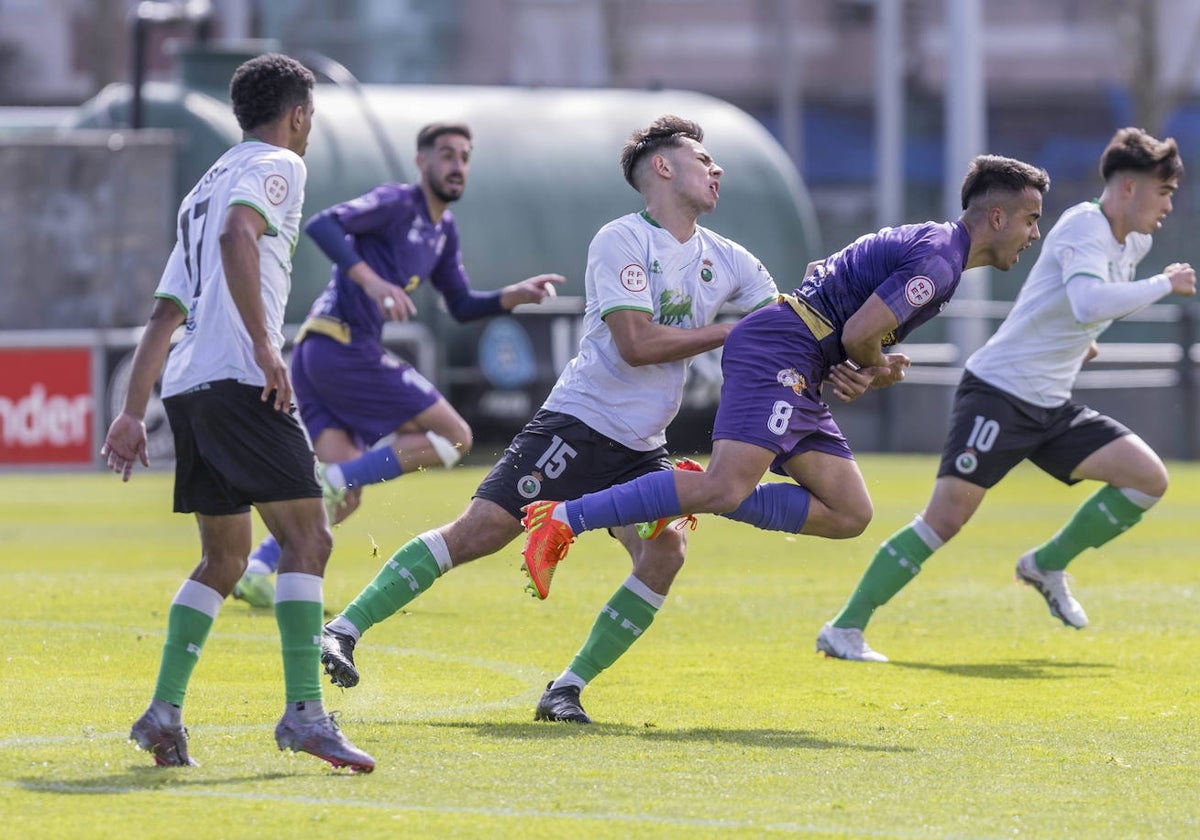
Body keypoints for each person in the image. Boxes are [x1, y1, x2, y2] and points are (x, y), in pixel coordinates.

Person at [317, 115, 779, 723]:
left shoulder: (730, 258)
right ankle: (343, 629)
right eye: (703, 158)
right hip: (578, 424)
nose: (716, 169)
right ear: (663, 167)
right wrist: (733, 331)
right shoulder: (621, 240)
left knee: (666, 551)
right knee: (479, 532)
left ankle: (566, 687)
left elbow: (781, 327)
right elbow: (636, 343)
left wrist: (851, 359)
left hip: (642, 445)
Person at [520, 154, 1053, 633]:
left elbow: (847, 327)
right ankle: (562, 519)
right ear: (997, 217)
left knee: (849, 513)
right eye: (1031, 219)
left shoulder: (938, 250)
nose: (1034, 234)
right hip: (782, 348)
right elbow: (858, 335)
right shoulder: (939, 260)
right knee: (724, 489)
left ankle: (682, 489)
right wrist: (876, 365)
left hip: (803, 355)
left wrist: (861, 364)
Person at [815, 127, 1195, 662]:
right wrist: (1164, 284)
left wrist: (1080, 344)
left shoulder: (1135, 241)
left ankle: (1046, 563)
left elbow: (1083, 309)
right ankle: (844, 628)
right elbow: (1087, 301)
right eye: (1164, 192)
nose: (1169, 205)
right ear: (1128, 188)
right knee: (944, 520)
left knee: (1147, 479)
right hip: (999, 393)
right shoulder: (1084, 225)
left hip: (1050, 401)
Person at [101, 53, 374, 771]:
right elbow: (238, 237)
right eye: (309, 117)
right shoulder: (280, 165)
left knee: (223, 557)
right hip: (238, 377)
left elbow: (165, 313)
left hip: (188, 388)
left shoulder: (205, 184)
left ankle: (163, 713)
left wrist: (133, 412)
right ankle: (305, 714)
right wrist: (264, 346)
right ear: (298, 115)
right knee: (310, 538)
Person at [231, 121, 565, 608]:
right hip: (338, 346)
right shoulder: (397, 202)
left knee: (341, 497)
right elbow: (323, 225)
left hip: (320, 357)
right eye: (446, 155)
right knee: (455, 436)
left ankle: (258, 571)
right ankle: (334, 481)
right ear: (422, 163)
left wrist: (511, 296)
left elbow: (461, 305)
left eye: (464, 157)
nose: (457, 166)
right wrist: (373, 282)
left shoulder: (442, 230)